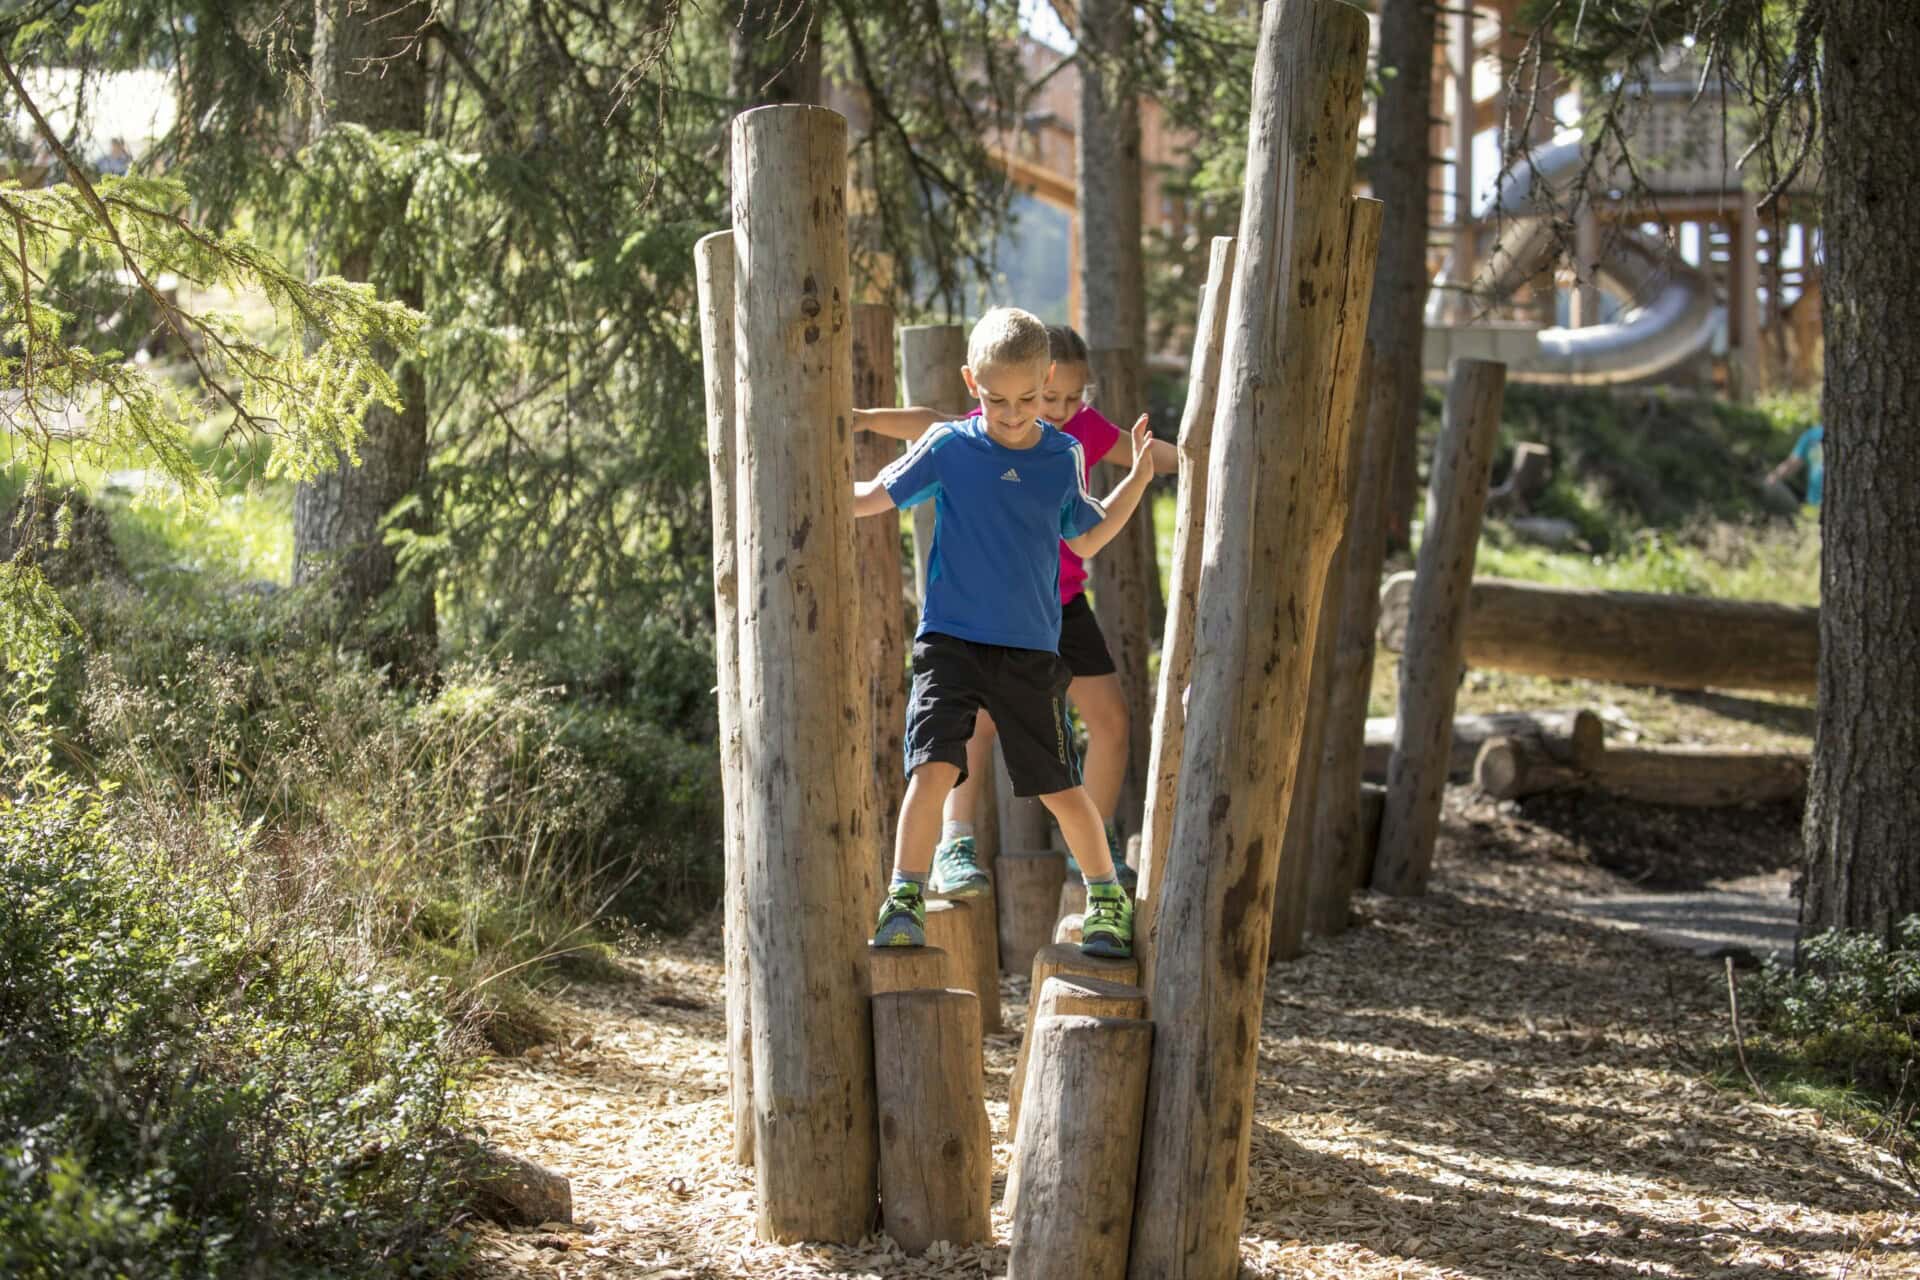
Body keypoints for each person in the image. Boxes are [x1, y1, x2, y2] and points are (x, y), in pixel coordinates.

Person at [853, 307, 1156, 958]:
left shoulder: (1062, 454)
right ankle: (903, 896)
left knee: (1058, 785)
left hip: (1029, 649)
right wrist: (809, 478)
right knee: (932, 768)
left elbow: (1087, 533)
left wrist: (1136, 483)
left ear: (1045, 380)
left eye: (1026, 399)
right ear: (971, 381)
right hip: (951, 642)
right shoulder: (949, 447)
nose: (1013, 414)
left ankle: (1105, 895)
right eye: (996, 400)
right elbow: (872, 497)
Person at [1766, 423, 1824, 508]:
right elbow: (1792, 463)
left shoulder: (1848, 433)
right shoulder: (1812, 435)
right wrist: (1774, 477)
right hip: (1816, 502)